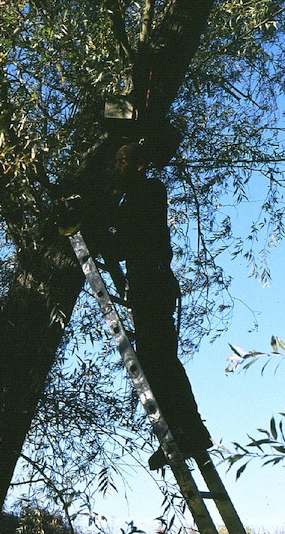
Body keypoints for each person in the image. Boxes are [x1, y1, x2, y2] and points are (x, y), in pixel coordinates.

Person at [107, 142, 212, 469]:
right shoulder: (136, 195)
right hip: (147, 283)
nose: (118, 168)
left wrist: (103, 231)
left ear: (137, 165)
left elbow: (125, 240)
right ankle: (185, 430)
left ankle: (188, 430)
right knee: (156, 360)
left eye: (122, 162)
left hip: (152, 281)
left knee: (159, 359)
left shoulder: (148, 191)